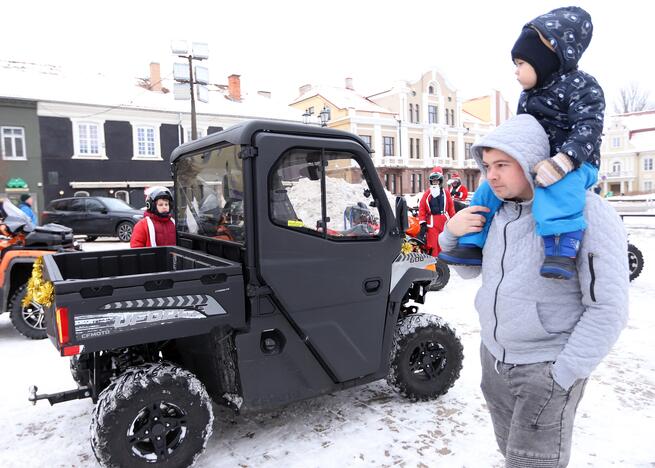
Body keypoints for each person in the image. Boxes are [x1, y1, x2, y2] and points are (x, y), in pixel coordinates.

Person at [439, 114, 628, 467]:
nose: (490, 175)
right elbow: (468, 271)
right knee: (510, 452)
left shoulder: (587, 212)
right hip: (495, 360)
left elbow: (609, 306)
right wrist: (451, 232)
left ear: (529, 162)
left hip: (545, 368)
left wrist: (564, 374)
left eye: (502, 164)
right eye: (487, 165)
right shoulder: (497, 212)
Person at [440, 6, 605, 280]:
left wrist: (564, 160)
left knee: (559, 187)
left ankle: (561, 248)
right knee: (486, 190)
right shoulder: (528, 96)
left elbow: (589, 127)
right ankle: (472, 243)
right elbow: (522, 131)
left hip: (578, 163)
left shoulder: (581, 85)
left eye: (520, 64)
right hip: (535, 164)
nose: (516, 72)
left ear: (544, 59)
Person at [417, 167, 455, 257]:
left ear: (440, 181)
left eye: (437, 181)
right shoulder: (427, 193)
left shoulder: (446, 193)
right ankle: (434, 263)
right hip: (432, 223)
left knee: (444, 243)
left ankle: (444, 262)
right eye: (433, 181)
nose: (435, 183)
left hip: (444, 222)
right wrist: (422, 223)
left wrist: (454, 220)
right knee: (433, 244)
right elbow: (422, 208)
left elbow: (451, 208)